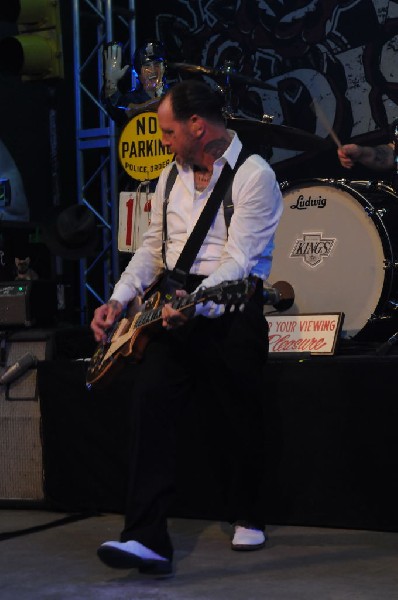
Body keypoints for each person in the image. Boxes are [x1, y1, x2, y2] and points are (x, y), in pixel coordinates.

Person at [90, 79, 283, 577]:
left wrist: (196, 302)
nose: (163, 140)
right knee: (148, 406)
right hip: (168, 309)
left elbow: (239, 261)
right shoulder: (168, 176)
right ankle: (145, 538)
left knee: (238, 417)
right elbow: (153, 250)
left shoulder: (252, 175)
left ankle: (247, 511)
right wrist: (118, 299)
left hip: (228, 306)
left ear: (198, 125)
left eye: (168, 130)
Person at [102, 39, 168, 127]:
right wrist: (111, 82)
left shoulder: (174, 94)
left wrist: (137, 109)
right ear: (138, 72)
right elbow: (116, 109)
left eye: (157, 64)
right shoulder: (130, 99)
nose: (153, 71)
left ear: (164, 67)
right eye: (147, 65)